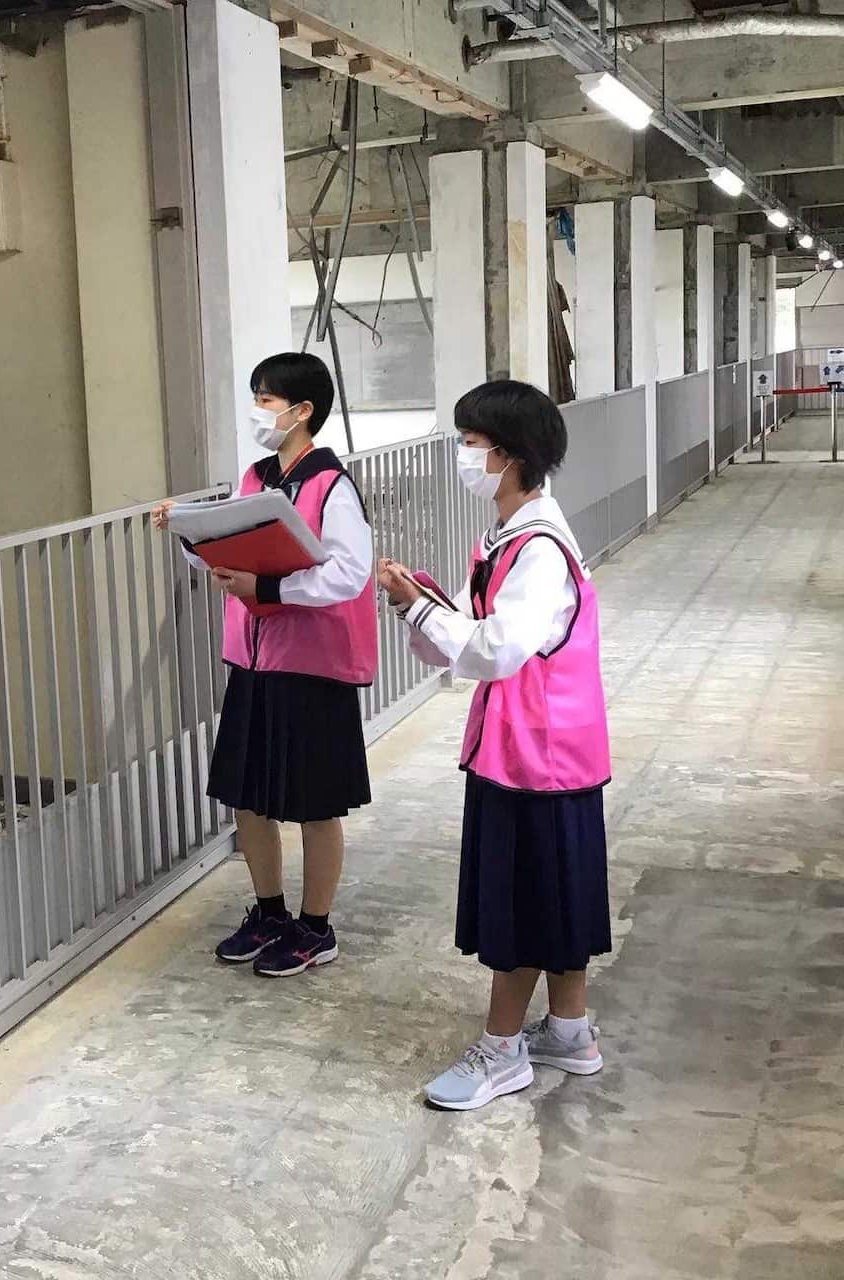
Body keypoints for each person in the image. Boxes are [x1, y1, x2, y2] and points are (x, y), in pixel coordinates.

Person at [378, 379, 611, 1112]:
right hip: (539, 746)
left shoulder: (537, 549)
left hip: (536, 756)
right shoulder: (510, 536)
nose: (462, 454)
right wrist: (423, 606)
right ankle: (569, 1031)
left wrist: (421, 611)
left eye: (470, 443)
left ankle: (502, 1051)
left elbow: (495, 649)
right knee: (558, 892)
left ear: (509, 456)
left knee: (523, 901)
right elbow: (477, 635)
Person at [152, 352, 376, 977]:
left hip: (311, 666)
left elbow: (349, 573)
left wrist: (271, 588)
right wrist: (188, 531)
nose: (258, 411)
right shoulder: (255, 478)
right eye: (256, 397)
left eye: (267, 400)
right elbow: (225, 548)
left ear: (303, 411)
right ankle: (270, 911)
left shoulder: (331, 486)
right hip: (253, 662)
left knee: (315, 803)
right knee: (248, 796)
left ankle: (316, 926)